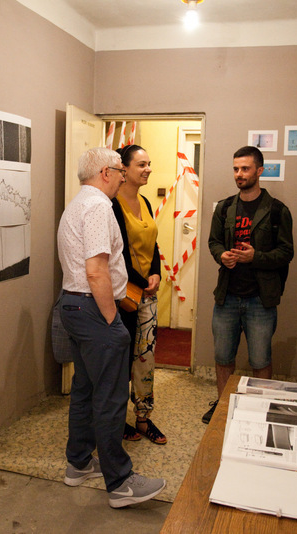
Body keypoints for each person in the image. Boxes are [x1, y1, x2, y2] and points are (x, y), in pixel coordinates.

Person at [57, 147, 166, 508]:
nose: (123, 177)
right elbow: (96, 270)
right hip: (93, 309)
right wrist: (111, 320)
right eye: (120, 170)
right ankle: (119, 482)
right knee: (110, 396)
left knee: (86, 389)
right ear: (105, 173)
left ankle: (78, 463)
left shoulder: (79, 203)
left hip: (75, 305)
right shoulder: (98, 206)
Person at [202, 146, 294, 424]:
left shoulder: (277, 211)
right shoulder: (224, 208)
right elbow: (214, 242)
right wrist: (222, 255)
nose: (239, 174)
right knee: (222, 357)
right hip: (227, 297)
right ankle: (223, 408)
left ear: (259, 171)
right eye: (235, 169)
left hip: (260, 300)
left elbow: (286, 252)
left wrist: (256, 257)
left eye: (245, 168)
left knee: (260, 359)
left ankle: (259, 410)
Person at [111, 144, 166, 445]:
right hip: (123, 296)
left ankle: (143, 418)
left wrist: (156, 272)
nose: (148, 169)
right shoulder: (112, 204)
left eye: (149, 164)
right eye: (141, 165)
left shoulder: (144, 201)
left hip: (147, 293)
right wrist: (143, 280)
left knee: (146, 358)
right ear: (124, 168)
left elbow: (153, 243)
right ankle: (117, 419)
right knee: (121, 361)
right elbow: (116, 254)